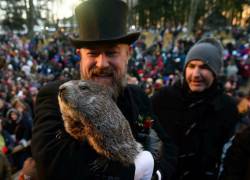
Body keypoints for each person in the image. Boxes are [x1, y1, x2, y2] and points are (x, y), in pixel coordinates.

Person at [32, 0, 177, 179]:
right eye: (92, 53)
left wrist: (156, 174)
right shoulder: (56, 96)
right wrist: (135, 171)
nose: (102, 63)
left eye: (111, 52)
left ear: (128, 54)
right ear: (80, 57)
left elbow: (163, 146)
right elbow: (54, 164)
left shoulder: (137, 99)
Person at [151, 37, 240, 180]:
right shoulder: (162, 99)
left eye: (204, 67)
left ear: (215, 72)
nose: (196, 74)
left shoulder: (227, 108)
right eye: (191, 66)